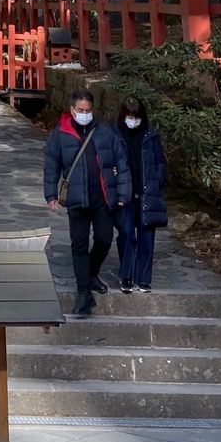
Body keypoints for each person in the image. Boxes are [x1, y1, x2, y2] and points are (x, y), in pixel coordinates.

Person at [44, 89, 132, 319]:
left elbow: (121, 164)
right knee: (79, 245)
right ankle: (83, 293)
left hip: (102, 197)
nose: (84, 114)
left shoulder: (106, 133)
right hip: (76, 198)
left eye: (88, 110)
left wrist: (123, 193)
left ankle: (92, 272)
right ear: (72, 110)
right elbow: (52, 165)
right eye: (80, 110)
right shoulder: (60, 134)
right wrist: (50, 195)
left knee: (104, 239)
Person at [115, 95, 168, 293]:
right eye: (129, 116)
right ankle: (127, 275)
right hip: (125, 194)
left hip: (147, 193)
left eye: (136, 116)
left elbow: (160, 162)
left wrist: (157, 181)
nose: (133, 120)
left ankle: (143, 279)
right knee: (127, 234)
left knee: (147, 236)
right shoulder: (116, 136)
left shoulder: (150, 136)